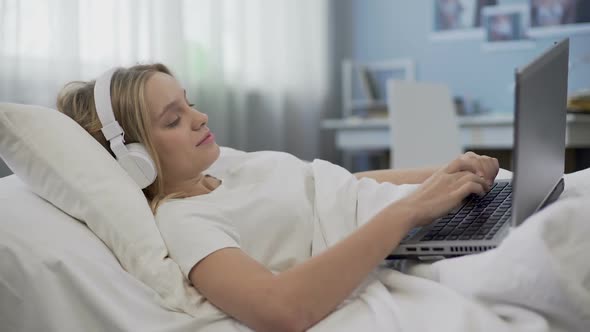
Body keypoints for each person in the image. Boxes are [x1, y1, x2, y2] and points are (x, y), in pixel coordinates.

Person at [57, 63, 499, 332]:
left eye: (189, 103)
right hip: (408, 239)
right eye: (174, 119)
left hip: (425, 211)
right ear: (135, 160)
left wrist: (444, 173)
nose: (200, 117)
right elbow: (280, 310)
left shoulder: (223, 164)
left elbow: (338, 183)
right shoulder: (185, 222)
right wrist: (412, 209)